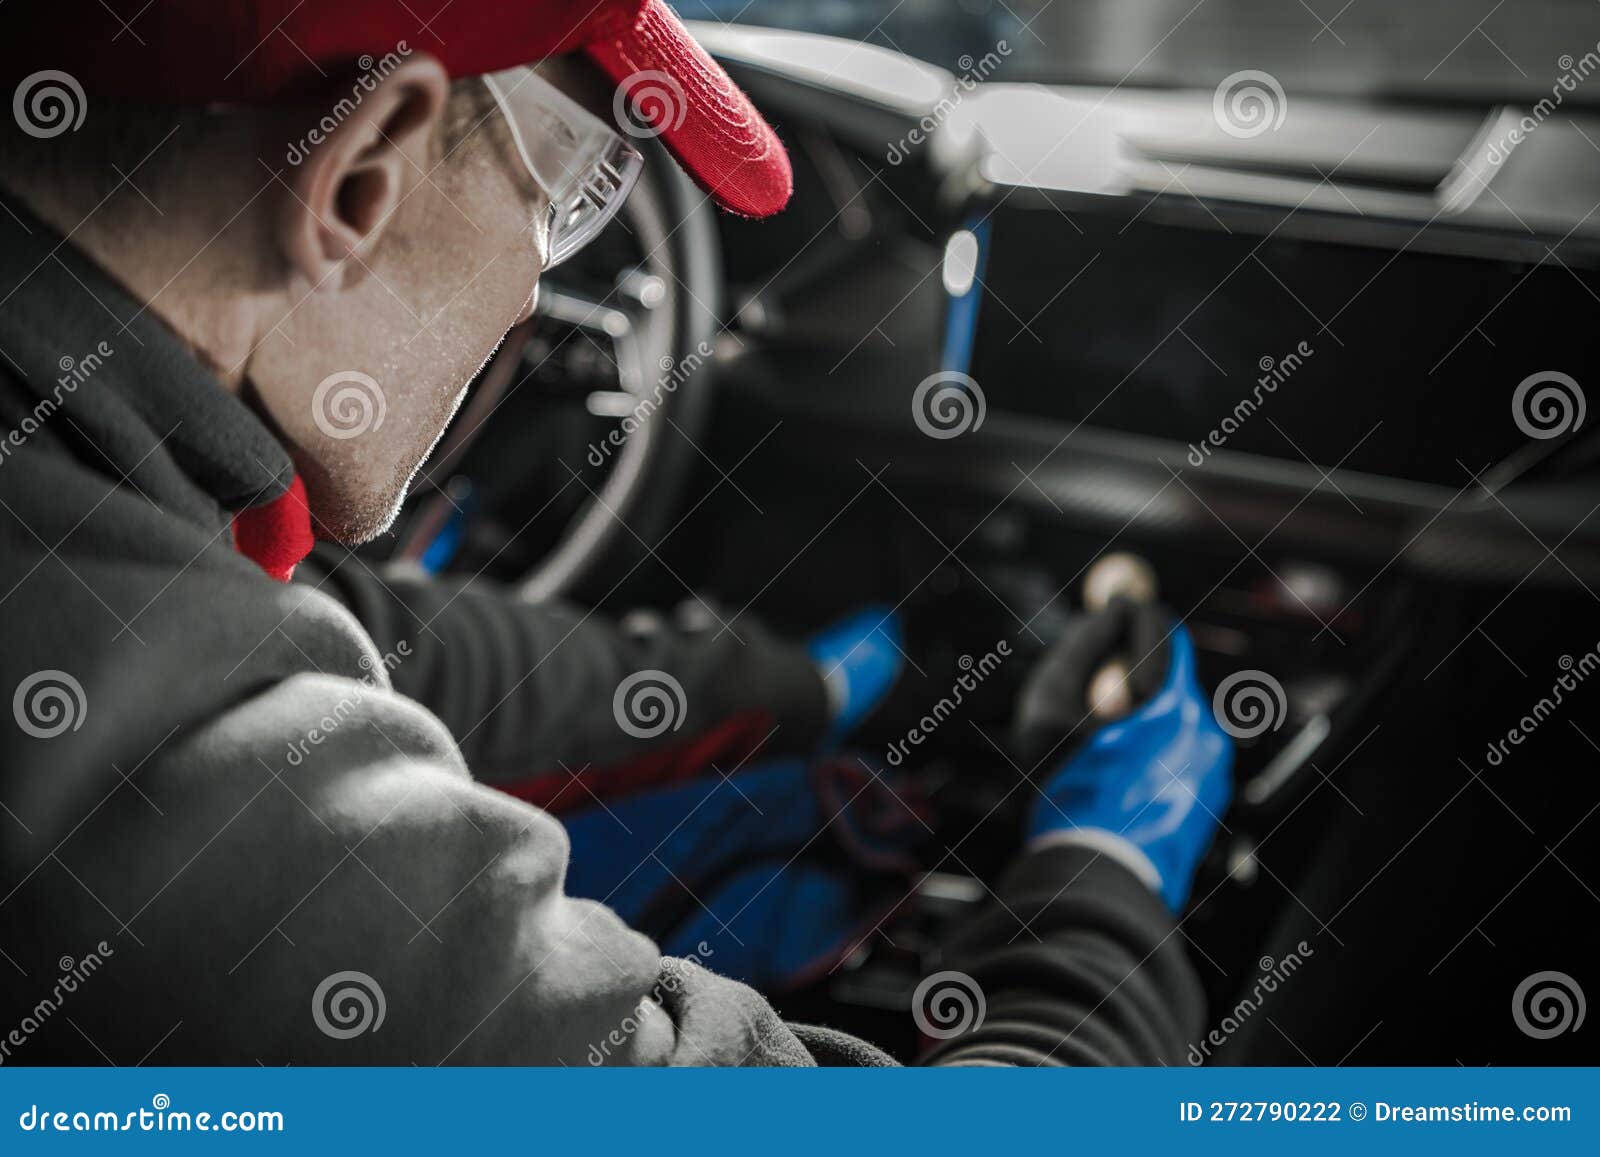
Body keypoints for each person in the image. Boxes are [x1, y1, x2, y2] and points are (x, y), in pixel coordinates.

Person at [0, 0, 1231, 1065]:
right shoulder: (207, 799)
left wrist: (804, 681)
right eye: (577, 192)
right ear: (360, 169)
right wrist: (1100, 880)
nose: (542, 305)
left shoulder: (94, 542)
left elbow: (382, 639)